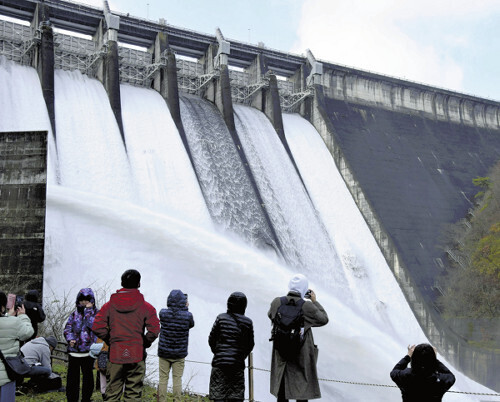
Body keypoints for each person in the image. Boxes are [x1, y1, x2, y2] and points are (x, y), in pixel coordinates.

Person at [92, 269, 160, 401]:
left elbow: (97, 326)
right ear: (139, 284)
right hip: (136, 353)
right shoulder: (146, 307)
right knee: (133, 395)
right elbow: (154, 329)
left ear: (122, 283)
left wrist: (110, 339)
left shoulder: (109, 305)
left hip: (116, 354)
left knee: (112, 394)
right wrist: (144, 342)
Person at [268, 274, 329, 402]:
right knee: (301, 391)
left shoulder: (277, 302)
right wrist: (314, 300)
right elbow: (323, 319)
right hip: (300, 354)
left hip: (281, 354)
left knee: (282, 392)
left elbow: (270, 315)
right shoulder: (307, 307)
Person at [208, 291, 254, 402]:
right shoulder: (247, 322)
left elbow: (211, 339)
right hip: (237, 364)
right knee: (235, 396)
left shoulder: (221, 318)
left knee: (218, 395)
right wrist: (240, 356)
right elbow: (250, 344)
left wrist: (218, 353)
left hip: (220, 363)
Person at [158, 290, 194, 401]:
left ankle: (162, 400)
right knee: (177, 379)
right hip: (179, 353)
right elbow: (191, 324)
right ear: (184, 301)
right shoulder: (188, 316)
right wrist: (185, 308)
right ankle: (177, 400)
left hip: (164, 352)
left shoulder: (163, 313)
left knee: (163, 379)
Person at [63, 288, 99, 402]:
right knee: (72, 378)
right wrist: (70, 339)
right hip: (74, 351)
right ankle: (72, 399)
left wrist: (88, 312)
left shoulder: (97, 314)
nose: (84, 302)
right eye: (82, 300)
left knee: (88, 377)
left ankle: (86, 399)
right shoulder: (74, 314)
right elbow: (68, 328)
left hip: (89, 351)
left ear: (92, 301)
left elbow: (95, 327)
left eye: (87, 300)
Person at [390, 343, 456, 402]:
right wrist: (434, 359)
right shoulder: (439, 380)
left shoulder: (405, 376)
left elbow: (394, 372)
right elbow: (451, 376)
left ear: (414, 360)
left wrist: (408, 357)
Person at [0, 291, 34, 401]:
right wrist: (22, 316)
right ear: (2, 306)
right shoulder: (13, 322)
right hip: (7, 374)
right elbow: (28, 332)